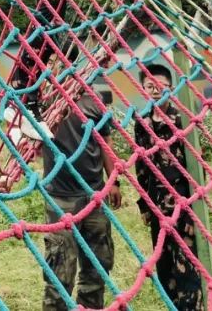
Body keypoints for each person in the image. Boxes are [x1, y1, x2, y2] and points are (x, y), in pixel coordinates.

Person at [40, 87, 120, 310]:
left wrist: (113, 181)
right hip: (61, 198)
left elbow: (106, 143)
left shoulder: (94, 101)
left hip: (94, 195)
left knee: (98, 266)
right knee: (60, 272)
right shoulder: (46, 102)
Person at [134, 65, 203, 309]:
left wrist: (197, 208)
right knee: (164, 268)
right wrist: (144, 205)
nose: (155, 91)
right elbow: (141, 167)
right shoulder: (141, 122)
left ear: (171, 88)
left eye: (161, 86)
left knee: (186, 266)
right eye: (150, 86)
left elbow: (197, 165)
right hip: (156, 206)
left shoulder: (181, 119)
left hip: (183, 205)